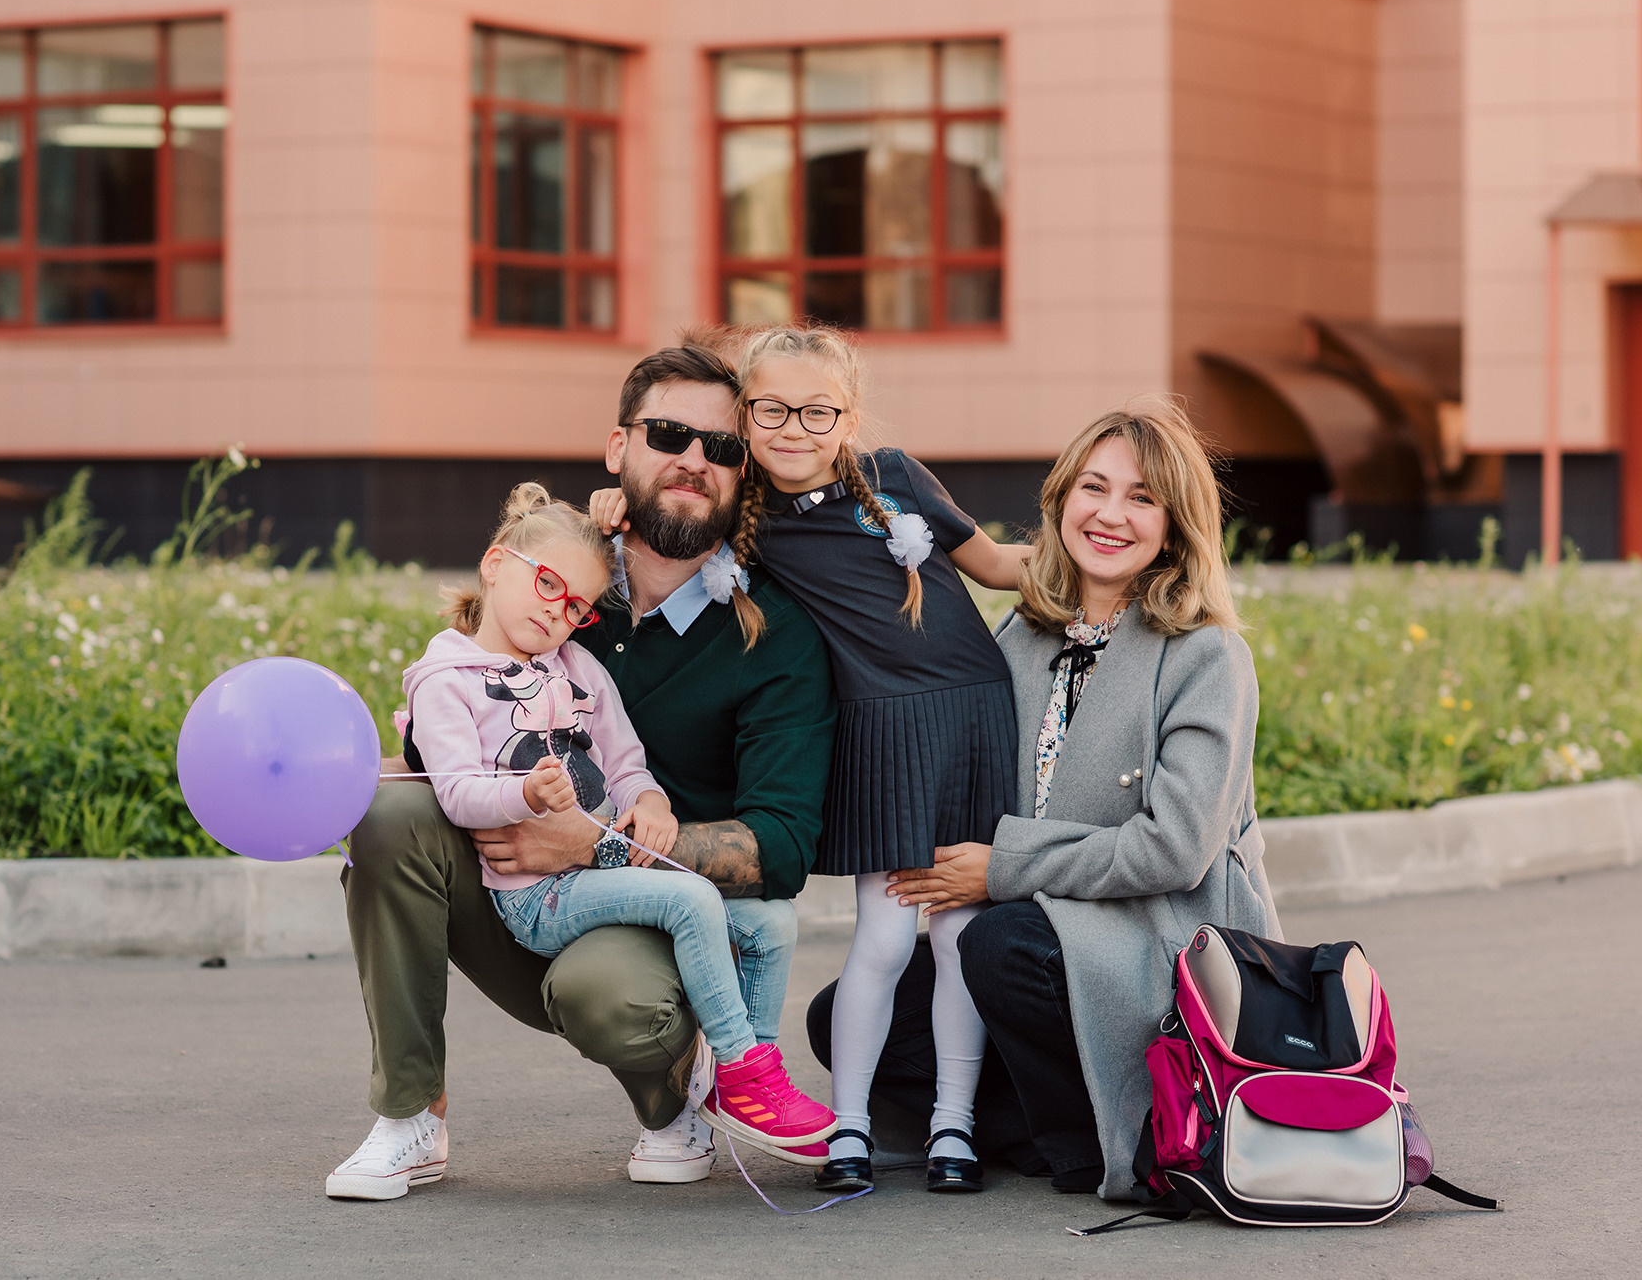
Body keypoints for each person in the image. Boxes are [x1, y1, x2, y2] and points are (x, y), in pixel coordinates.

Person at [329, 344, 836, 1200]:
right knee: (385, 818)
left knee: (614, 995)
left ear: (743, 472)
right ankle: (411, 1114)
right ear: (618, 447)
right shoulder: (564, 582)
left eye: (721, 447)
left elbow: (780, 846)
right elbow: (468, 716)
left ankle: (674, 1101)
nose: (693, 460)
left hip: (640, 932)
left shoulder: (772, 635)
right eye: (671, 433)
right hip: (507, 882)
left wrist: (591, 844)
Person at [596, 324, 1031, 1195]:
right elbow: (667, 508)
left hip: (973, 716)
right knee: (879, 938)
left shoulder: (895, 477)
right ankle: (851, 1126)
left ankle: (955, 1124)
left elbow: (999, 565)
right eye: (772, 411)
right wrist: (601, 507)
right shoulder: (744, 519)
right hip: (880, 736)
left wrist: (1116, 576)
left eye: (817, 411)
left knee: (956, 934)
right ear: (746, 418)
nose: (794, 428)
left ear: (850, 415)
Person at [817, 398, 1282, 1201]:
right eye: (1093, 488)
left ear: (1176, 524)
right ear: (1062, 496)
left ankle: (1121, 1140)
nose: (1109, 514)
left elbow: (1173, 847)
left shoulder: (1208, 655)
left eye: (1142, 498)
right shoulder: (1026, 634)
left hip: (1158, 943)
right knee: (843, 1016)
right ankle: (1033, 1122)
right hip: (1038, 933)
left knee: (999, 945)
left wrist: (1000, 869)